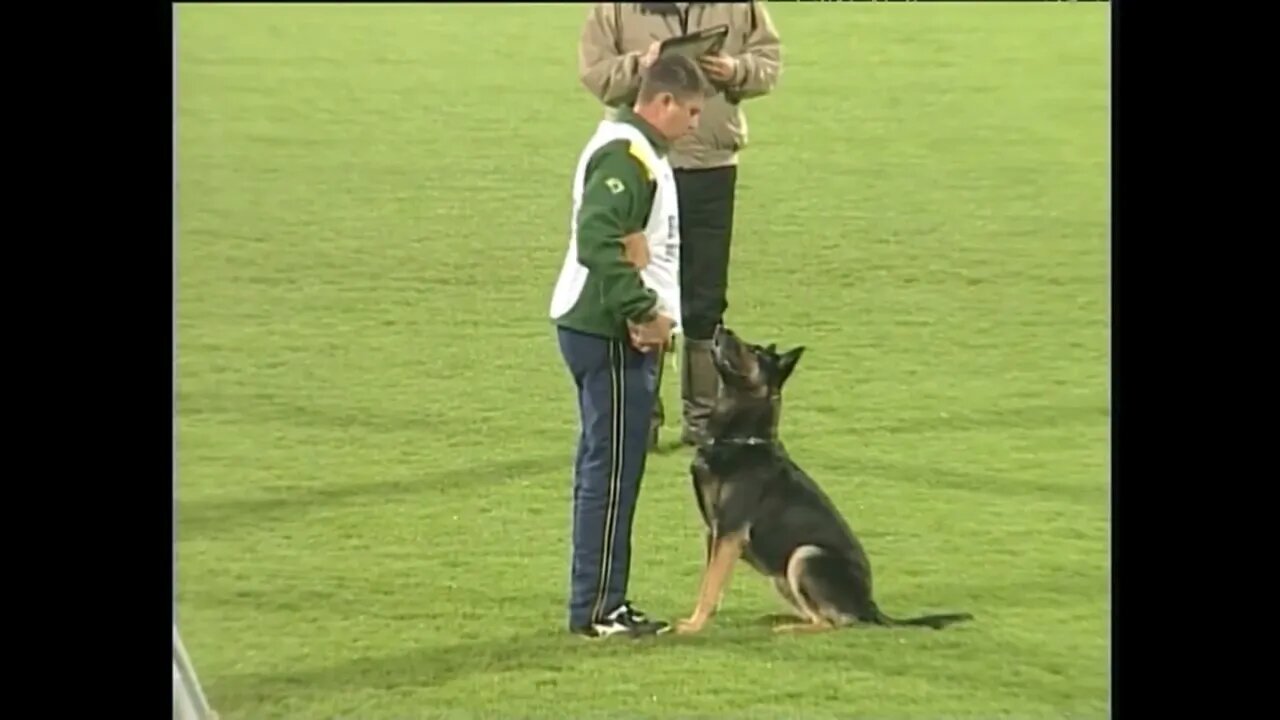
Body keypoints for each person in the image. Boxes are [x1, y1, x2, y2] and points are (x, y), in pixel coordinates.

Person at [549, 53, 708, 638]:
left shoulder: (635, 150)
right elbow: (596, 238)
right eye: (690, 111)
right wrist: (641, 311)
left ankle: (598, 601)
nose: (694, 124)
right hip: (610, 333)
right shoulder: (626, 156)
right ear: (661, 102)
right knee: (612, 472)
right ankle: (599, 610)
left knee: (607, 468)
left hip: (603, 328)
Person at [578, 1, 783, 448]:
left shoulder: (740, 6)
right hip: (643, 163)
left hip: (711, 165)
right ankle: (641, 417)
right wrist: (643, 67)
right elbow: (596, 76)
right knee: (639, 281)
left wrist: (734, 69)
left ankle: (703, 419)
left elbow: (769, 63)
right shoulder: (616, 9)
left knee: (705, 296)